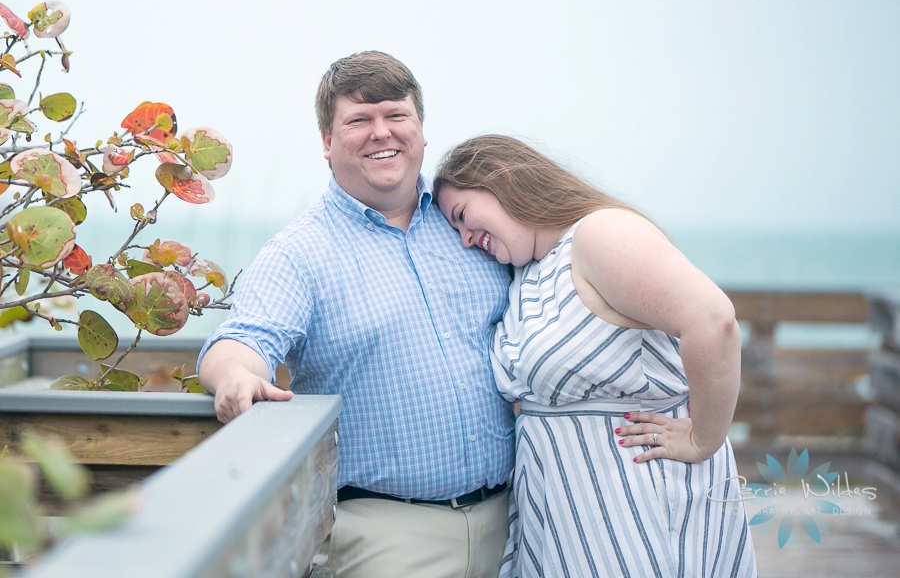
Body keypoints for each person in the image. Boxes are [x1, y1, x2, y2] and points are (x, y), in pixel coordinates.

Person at [197, 53, 515, 578]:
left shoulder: (473, 223)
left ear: (421, 129)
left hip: (517, 519)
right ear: (326, 141)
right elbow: (242, 340)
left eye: (396, 115)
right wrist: (235, 377)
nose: (380, 133)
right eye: (358, 121)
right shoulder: (299, 253)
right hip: (386, 538)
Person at [434, 135, 758, 578]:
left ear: (502, 180)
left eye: (462, 216)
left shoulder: (597, 234)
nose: (467, 239)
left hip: (635, 505)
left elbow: (713, 320)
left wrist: (704, 437)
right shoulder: (530, 272)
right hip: (568, 517)